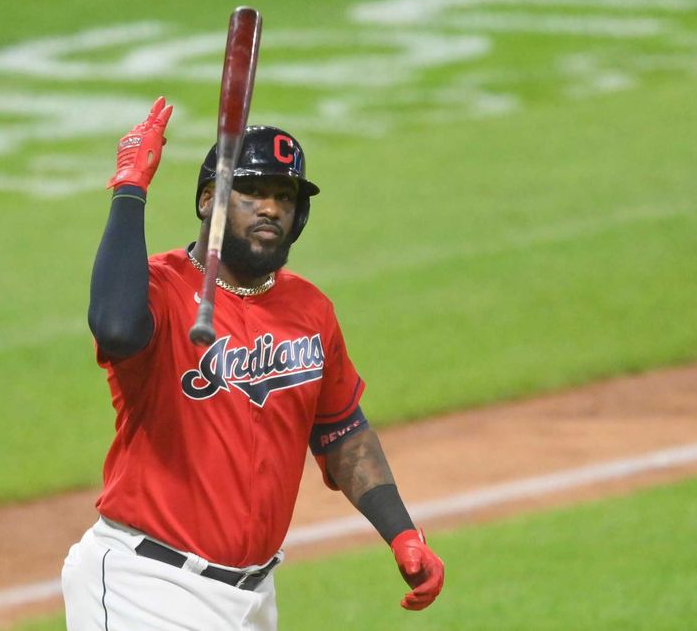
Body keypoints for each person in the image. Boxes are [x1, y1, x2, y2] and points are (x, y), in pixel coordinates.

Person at [61, 97, 444, 630]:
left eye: (283, 196)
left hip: (253, 598)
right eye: (252, 191)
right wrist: (130, 188)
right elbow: (115, 328)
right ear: (208, 201)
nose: (270, 208)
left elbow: (342, 434)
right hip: (145, 586)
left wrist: (401, 532)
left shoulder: (310, 309)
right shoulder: (161, 289)